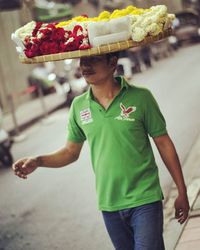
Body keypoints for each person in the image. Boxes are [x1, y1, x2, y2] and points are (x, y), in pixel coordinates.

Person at [13, 52, 190, 250]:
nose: (85, 66)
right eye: (82, 61)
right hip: (109, 205)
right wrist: (37, 161)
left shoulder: (141, 98)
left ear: (112, 63)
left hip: (145, 199)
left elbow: (164, 143)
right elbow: (70, 152)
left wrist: (181, 191)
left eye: (93, 59)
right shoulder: (78, 106)